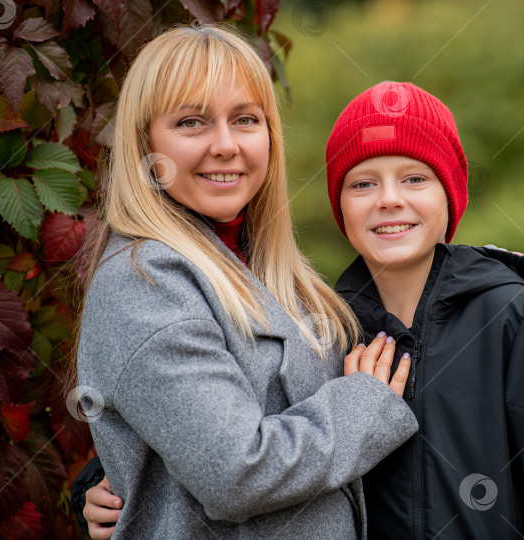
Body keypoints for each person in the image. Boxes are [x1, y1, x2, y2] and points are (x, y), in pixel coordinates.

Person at [78, 81, 524, 538]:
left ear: (450, 197)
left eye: (415, 178)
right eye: (363, 183)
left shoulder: (515, 322)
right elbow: (218, 421)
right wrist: (102, 487)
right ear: (340, 207)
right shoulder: (322, 323)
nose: (389, 200)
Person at [71, 27, 418, 540]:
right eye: (192, 122)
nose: (226, 145)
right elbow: (235, 472)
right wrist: (364, 403)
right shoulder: (145, 281)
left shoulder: (269, 267)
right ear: (143, 144)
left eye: (246, 120)